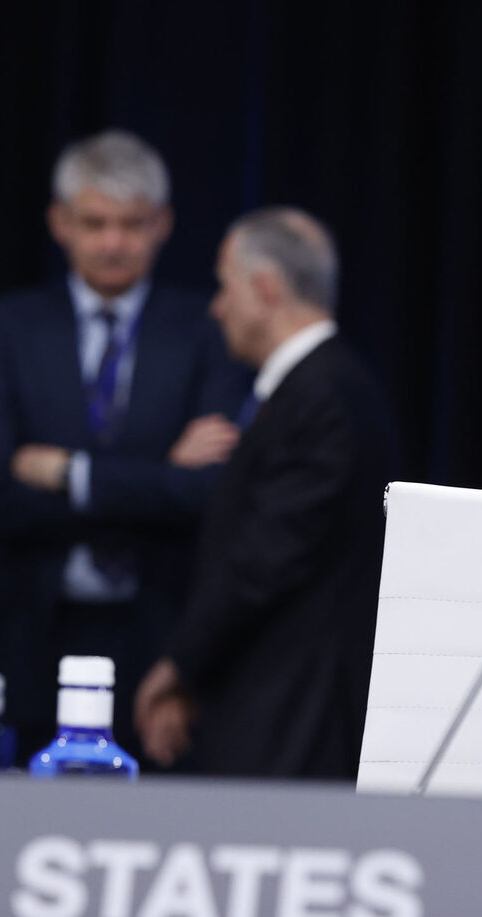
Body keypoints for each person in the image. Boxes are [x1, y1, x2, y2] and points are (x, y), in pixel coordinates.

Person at [0, 130, 248, 761]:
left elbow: (208, 492)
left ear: (163, 225)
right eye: (95, 223)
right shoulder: (9, 327)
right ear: (59, 223)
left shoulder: (207, 329)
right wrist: (159, 476)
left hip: (162, 638)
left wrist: (69, 474)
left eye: (132, 224)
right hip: (30, 633)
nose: (113, 242)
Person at [134, 207, 400, 779]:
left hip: (294, 721)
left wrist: (180, 664)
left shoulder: (323, 394)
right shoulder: (318, 387)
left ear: (265, 288)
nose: (216, 307)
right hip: (275, 708)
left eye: (224, 286)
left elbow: (265, 559)